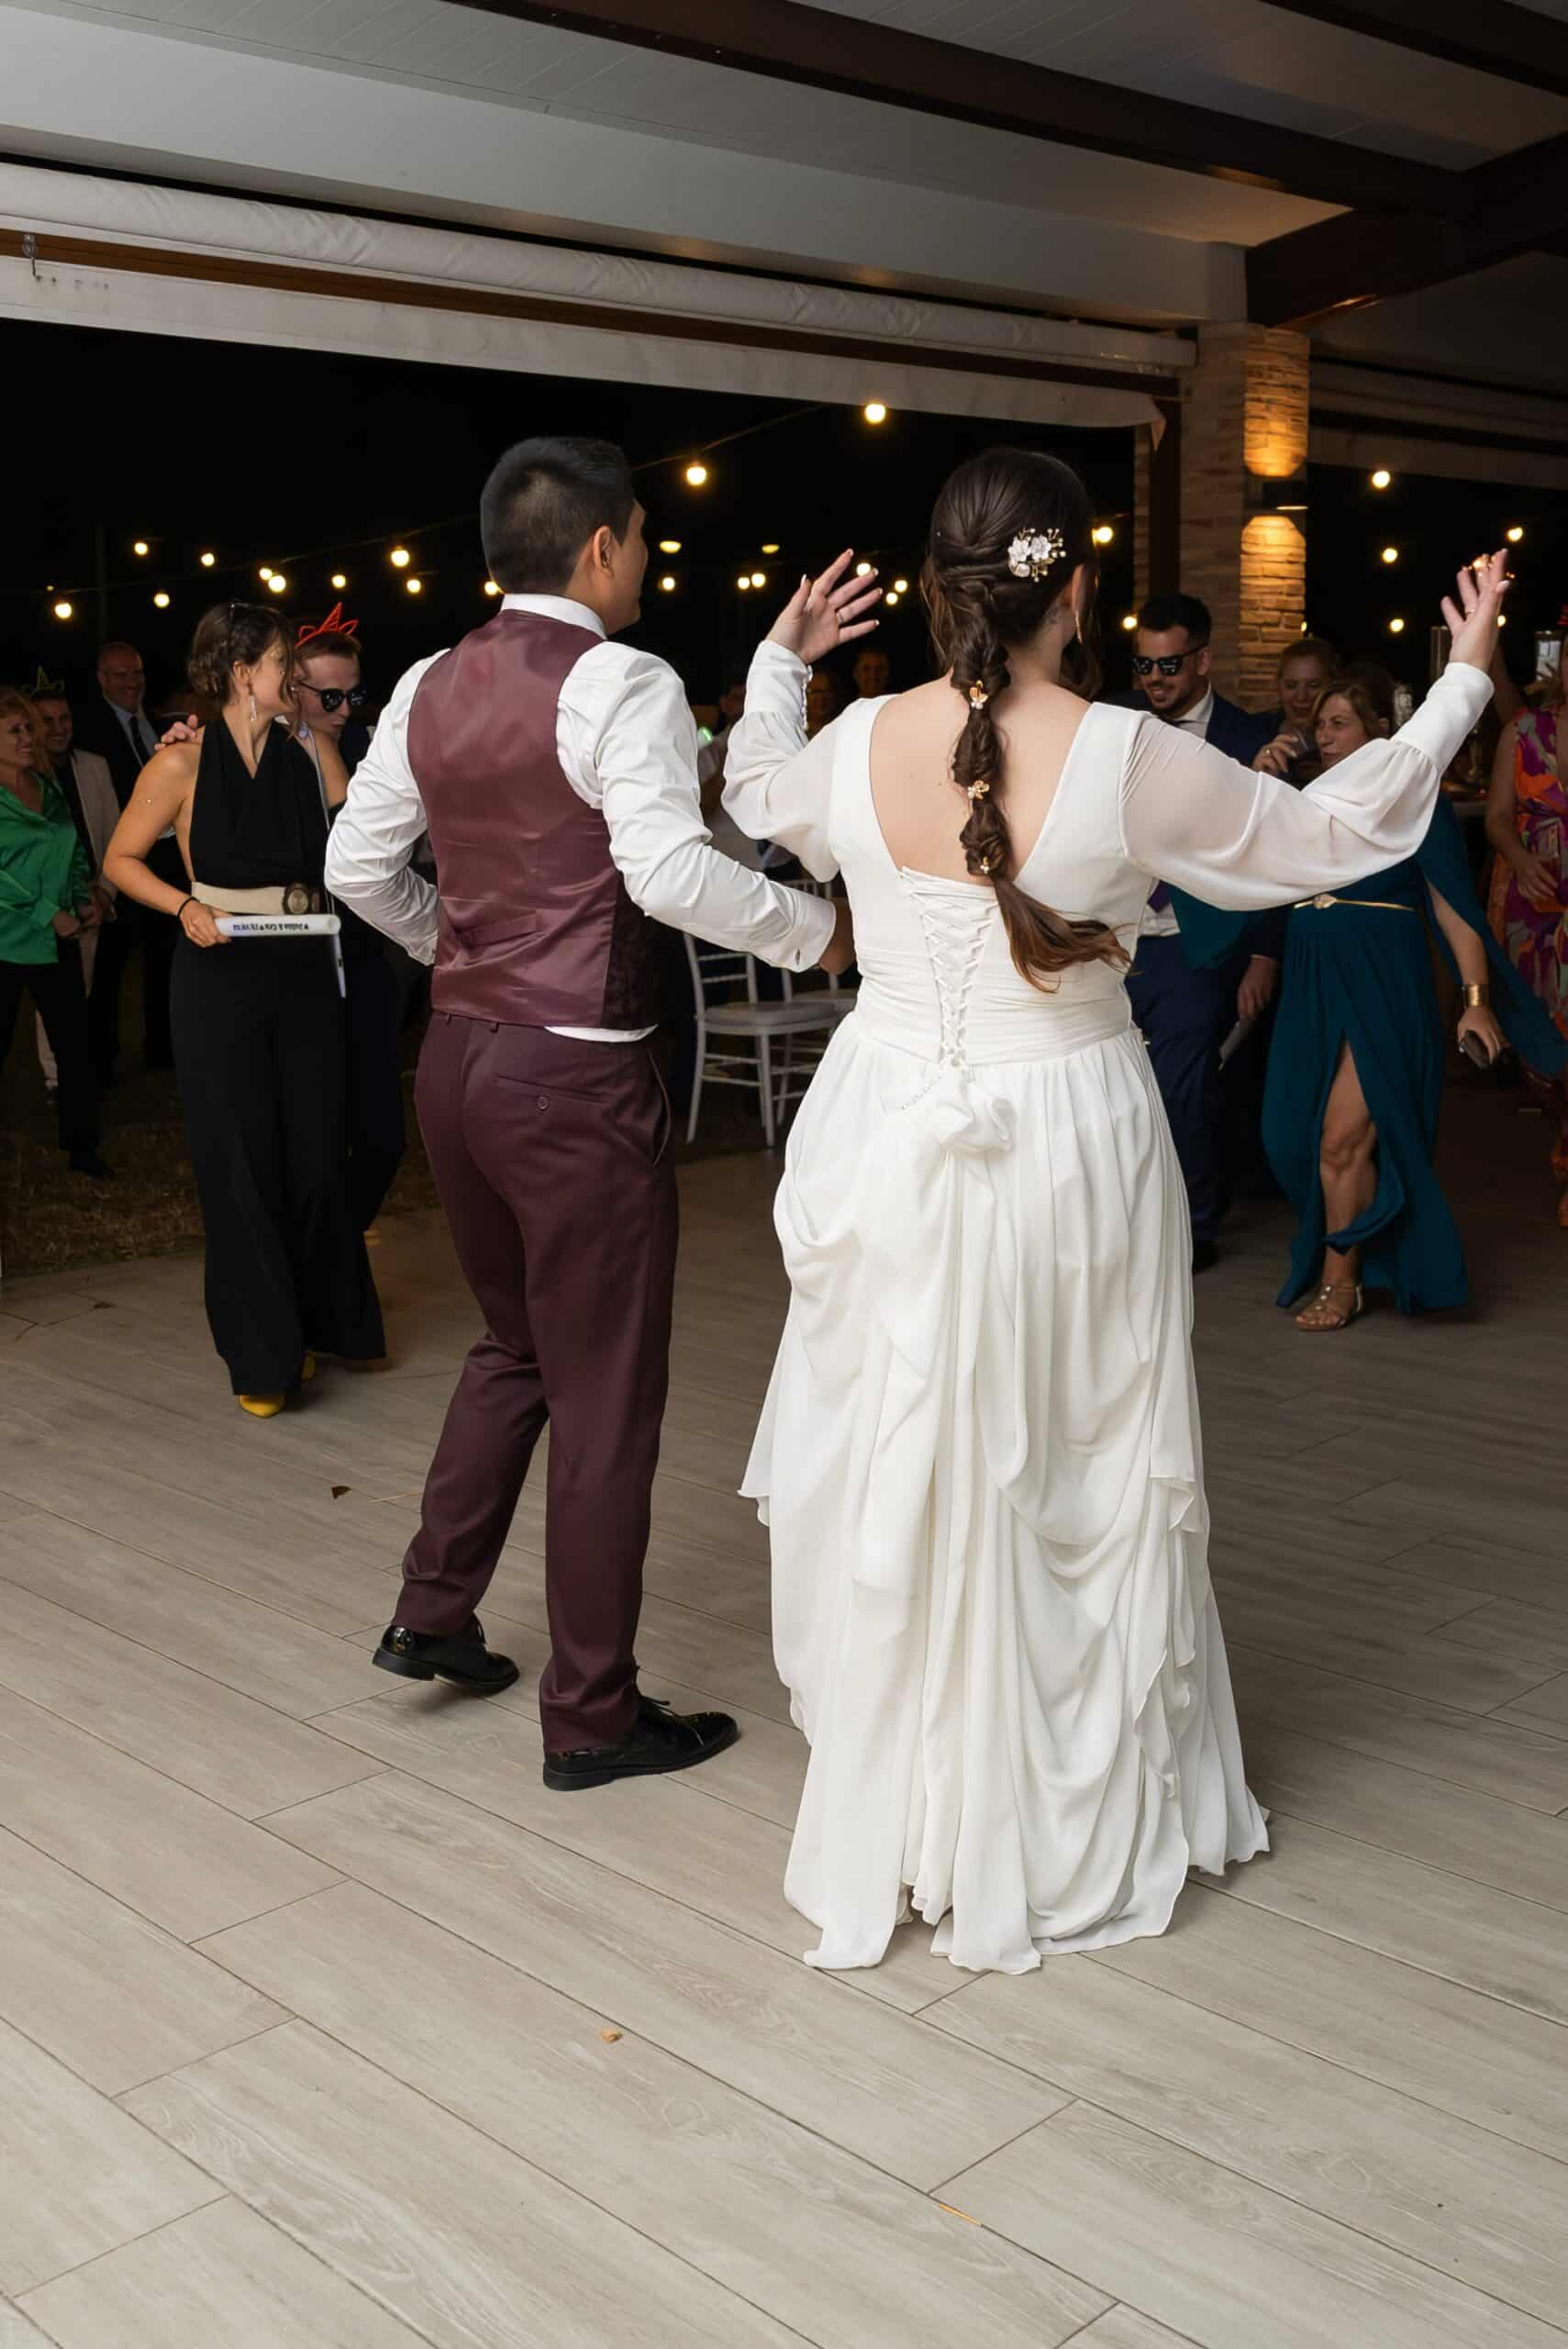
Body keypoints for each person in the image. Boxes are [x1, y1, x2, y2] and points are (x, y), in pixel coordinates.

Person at [720, 447, 1507, 1974]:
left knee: (907, 1457)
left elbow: (755, 789)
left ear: (934, 586)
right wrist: (1461, 678)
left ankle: (916, 1809)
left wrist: (775, 655)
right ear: (1074, 591)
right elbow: (1332, 837)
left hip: (882, 1121)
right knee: (1069, 1462)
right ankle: (1048, 1804)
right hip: (1062, 1128)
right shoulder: (1127, 755)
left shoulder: (855, 737)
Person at [324, 435, 853, 1782]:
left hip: (458, 1060)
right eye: (644, 540)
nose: (648, 562)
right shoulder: (626, 678)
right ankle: (593, 1716)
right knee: (605, 1393)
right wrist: (817, 935)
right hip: (575, 1074)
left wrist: (459, 949)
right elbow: (666, 871)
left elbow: (354, 865)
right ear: (602, 544)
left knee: (515, 1346)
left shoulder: (426, 680)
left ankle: (433, 1615)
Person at [104, 603, 384, 1415]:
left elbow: (353, 820)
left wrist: (316, 733)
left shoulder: (303, 752)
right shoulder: (180, 763)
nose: (293, 675)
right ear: (239, 671)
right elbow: (121, 859)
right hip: (219, 976)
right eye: (281, 662)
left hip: (302, 967)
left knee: (316, 1156)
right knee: (241, 1165)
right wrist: (184, 907)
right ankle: (264, 1357)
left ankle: (323, 1323)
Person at [1262, 675, 1566, 1328]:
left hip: (1381, 980)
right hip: (1311, 979)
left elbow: (1452, 905)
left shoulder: (1411, 796)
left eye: (1340, 722)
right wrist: (1255, 784)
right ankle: (1377, 1247)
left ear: (1377, 730)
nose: (1324, 735)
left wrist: (1475, 1000)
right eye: (1320, 725)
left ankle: (1340, 1281)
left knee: (1342, 1138)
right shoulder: (1300, 801)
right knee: (1288, 1136)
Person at [1120, 594, 1282, 1267]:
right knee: (1112, 1087)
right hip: (1116, 934)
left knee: (1183, 1084)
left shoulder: (1248, 739)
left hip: (1199, 939)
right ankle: (1120, 1221)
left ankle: (1191, 1226)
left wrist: (1264, 954)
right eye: (1143, 665)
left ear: (1203, 659)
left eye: (1169, 665)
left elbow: (1270, 853)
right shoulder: (1115, 727)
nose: (1155, 679)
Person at [293, 606, 406, 1230]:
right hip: (293, 966)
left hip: (363, 959)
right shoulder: (265, 758)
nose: (343, 710)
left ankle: (340, 1244)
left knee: (383, 1139)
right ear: (291, 689)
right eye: (329, 697)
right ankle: (322, 1263)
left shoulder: (369, 751)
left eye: (353, 695)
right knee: (313, 1145)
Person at [0, 687, 110, 1177]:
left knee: (75, 1048)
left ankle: (83, 1149)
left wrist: (83, 896)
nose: (29, 737)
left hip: (56, 942)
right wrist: (49, 913)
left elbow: (73, 848)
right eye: (16, 730)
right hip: (7, 943)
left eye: (30, 728)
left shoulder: (46, 787)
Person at [1485, 635, 1568, 1220]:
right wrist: (1517, 856)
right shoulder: (1523, 731)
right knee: (1543, 1043)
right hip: (1535, 907)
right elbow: (1495, 818)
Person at [74, 639, 183, 1072]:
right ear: (102, 679)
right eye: (120, 675)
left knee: (164, 959)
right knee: (109, 964)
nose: (130, 683)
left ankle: (162, 1049)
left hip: (165, 865)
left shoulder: (157, 725)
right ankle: (100, 1058)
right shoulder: (87, 730)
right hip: (116, 862)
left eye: (136, 673)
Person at [29, 676, 120, 1090]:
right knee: (49, 997)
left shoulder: (94, 766)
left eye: (64, 718)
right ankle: (55, 1079)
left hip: (90, 896)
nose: (59, 728)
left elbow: (115, 835)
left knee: (85, 989)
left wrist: (104, 891)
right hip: (39, 902)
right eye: (47, 721)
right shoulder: (21, 774)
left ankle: (80, 1072)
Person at [1254, 632, 1339, 782]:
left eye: (1313, 685)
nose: (1301, 697)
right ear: (1278, 685)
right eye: (1291, 685)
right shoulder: (1252, 732)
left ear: (1332, 685)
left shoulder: (1348, 740)